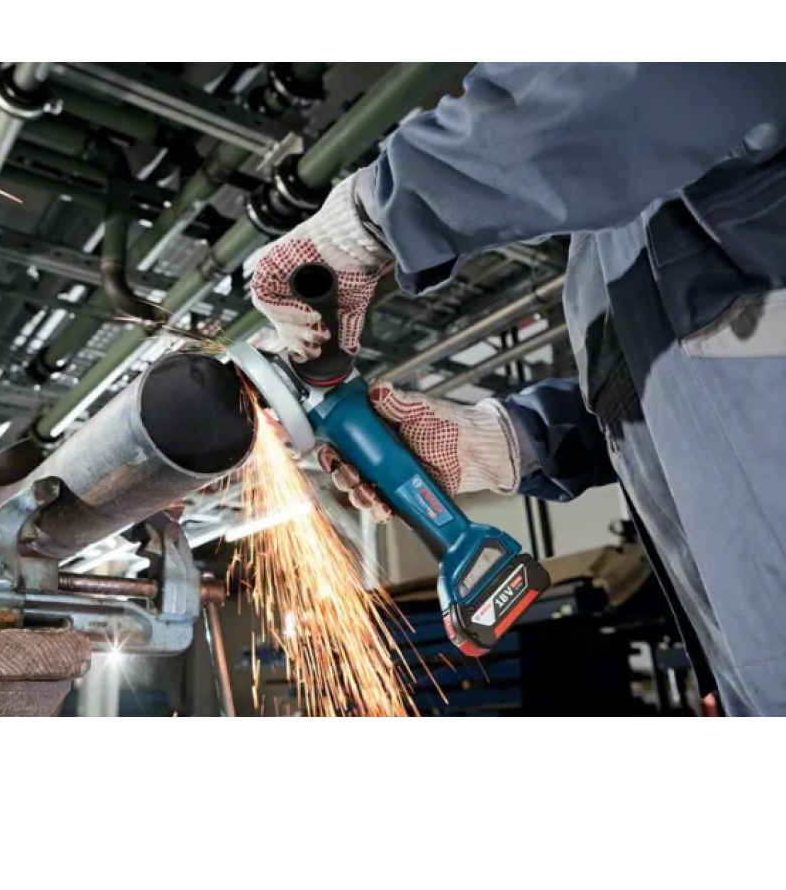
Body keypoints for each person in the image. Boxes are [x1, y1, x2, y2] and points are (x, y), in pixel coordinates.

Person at [250, 63, 786, 717]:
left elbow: (657, 72)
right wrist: (509, 443)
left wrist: (376, 215)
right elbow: (678, 397)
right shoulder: (615, 242)